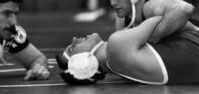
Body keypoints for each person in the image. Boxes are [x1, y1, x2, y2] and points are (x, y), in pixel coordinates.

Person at [55, 0, 199, 85]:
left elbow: (183, 8)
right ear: (83, 62)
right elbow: (184, 8)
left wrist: (153, 37)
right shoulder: (119, 38)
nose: (113, 2)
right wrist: (154, 36)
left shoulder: (146, 8)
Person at [56, 15, 199, 85]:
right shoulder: (116, 45)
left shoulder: (118, 66)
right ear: (84, 62)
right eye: (73, 47)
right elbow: (165, 16)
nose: (74, 38)